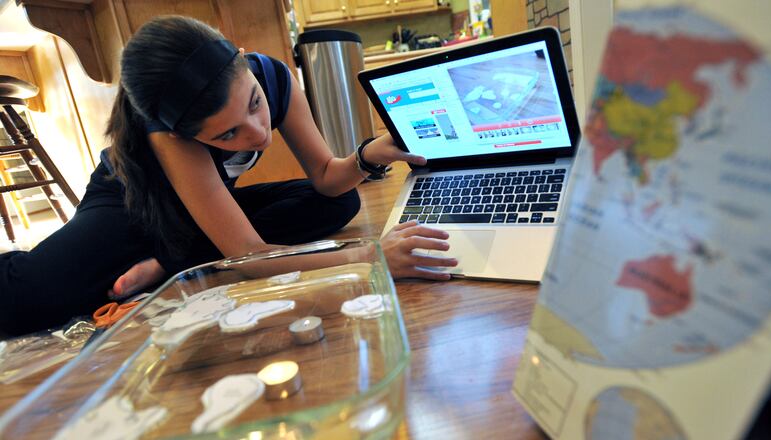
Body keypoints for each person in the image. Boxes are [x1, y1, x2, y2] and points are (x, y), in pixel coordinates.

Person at [0, 15, 456, 336]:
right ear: (185, 133)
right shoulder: (168, 135)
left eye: (254, 104)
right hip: (129, 210)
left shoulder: (275, 76)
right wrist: (371, 259)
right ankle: (172, 260)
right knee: (26, 304)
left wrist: (369, 155)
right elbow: (250, 255)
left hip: (205, 211)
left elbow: (324, 175)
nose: (258, 135)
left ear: (241, 58)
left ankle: (173, 264)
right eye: (227, 134)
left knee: (340, 202)